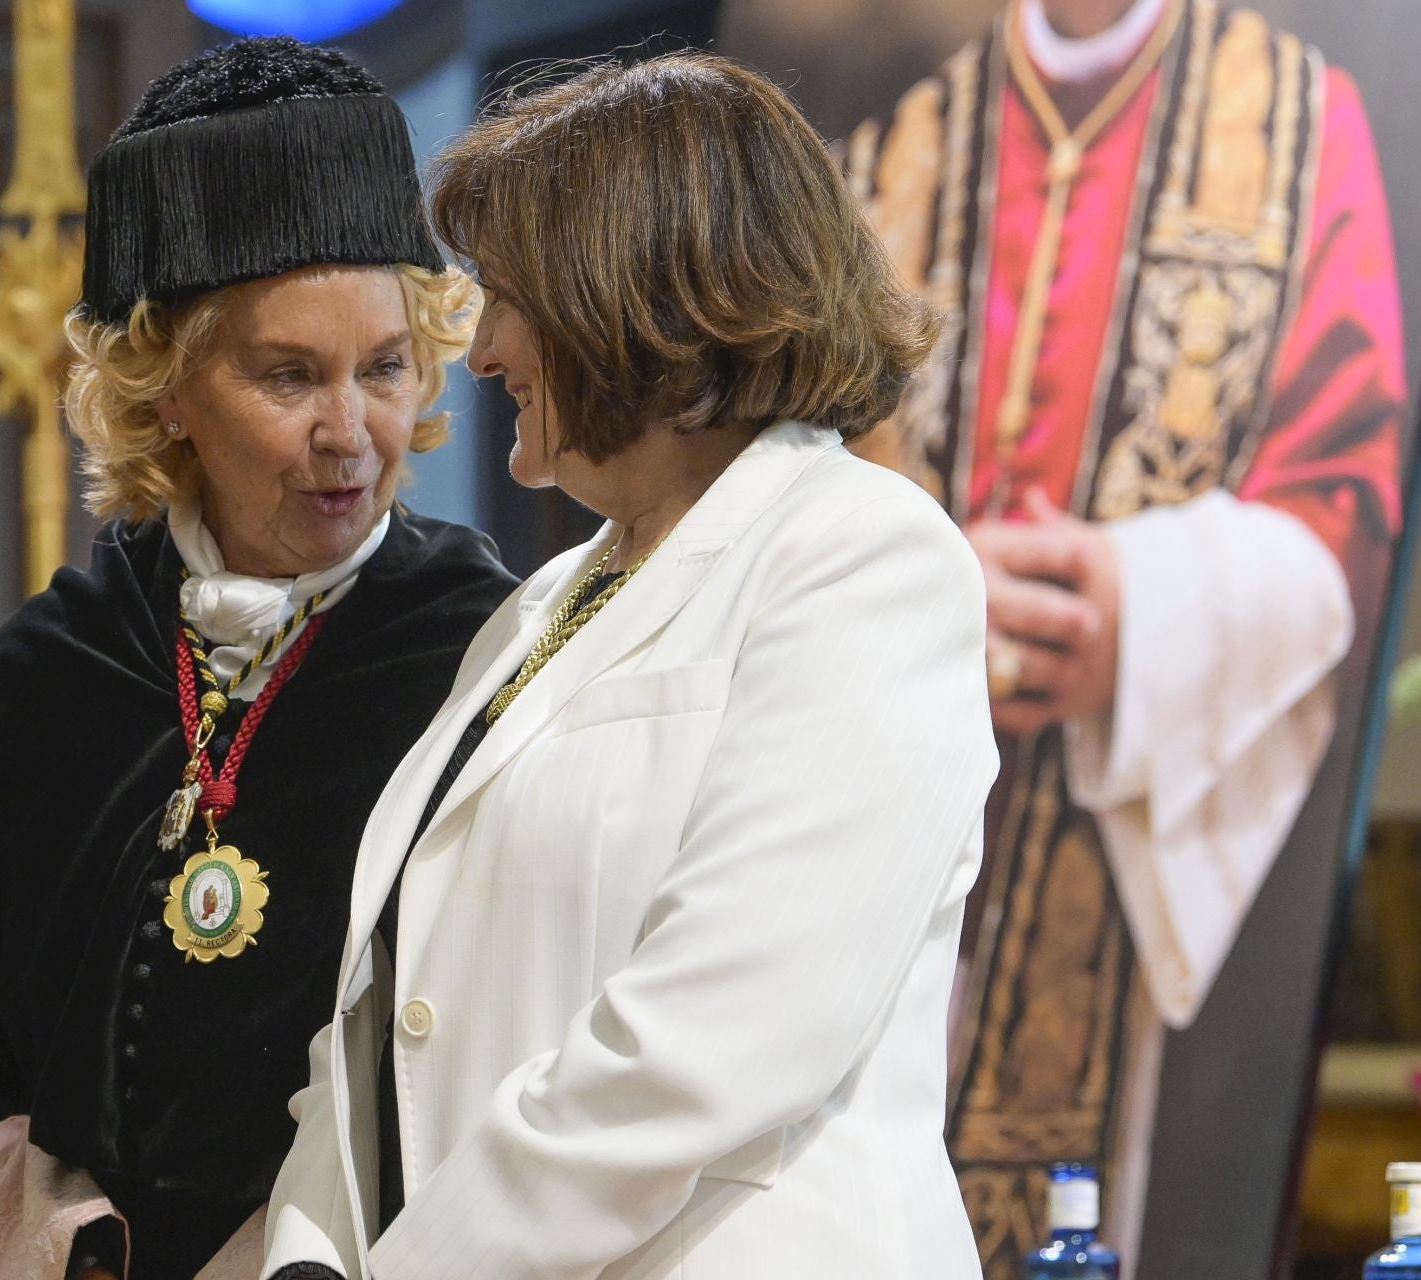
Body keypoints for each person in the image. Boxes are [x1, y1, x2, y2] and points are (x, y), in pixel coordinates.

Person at [260, 52, 998, 1280]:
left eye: (510, 294)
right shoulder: (542, 602)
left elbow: (715, 1038)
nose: (483, 347)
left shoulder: (863, 556)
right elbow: (379, 1020)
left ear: (642, 294)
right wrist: (308, 1254)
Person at [0, 36, 515, 1280]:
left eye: (386, 367)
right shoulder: (54, 666)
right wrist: (43, 1230)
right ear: (167, 381)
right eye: (289, 374)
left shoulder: (488, 650)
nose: (352, 433)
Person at [841, 0, 1407, 1271]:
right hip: (905, 835)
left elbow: (1349, 496)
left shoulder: (1302, 125)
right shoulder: (892, 154)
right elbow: (789, 479)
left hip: (1139, 838)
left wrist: (1137, 607)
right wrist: (931, 588)